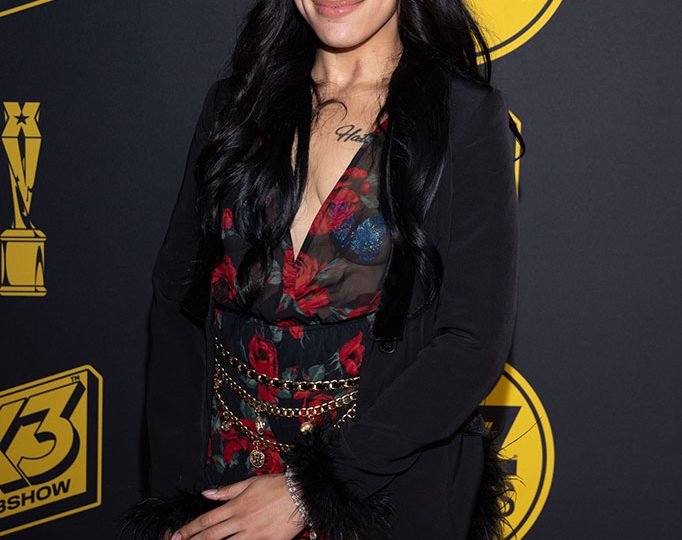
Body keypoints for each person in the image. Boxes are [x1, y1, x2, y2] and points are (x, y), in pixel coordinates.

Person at [120, 0, 523, 539]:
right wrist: (179, 499)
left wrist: (308, 491)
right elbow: (179, 300)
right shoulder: (236, 105)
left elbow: (471, 341)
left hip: (376, 493)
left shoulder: (461, 117)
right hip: (223, 487)